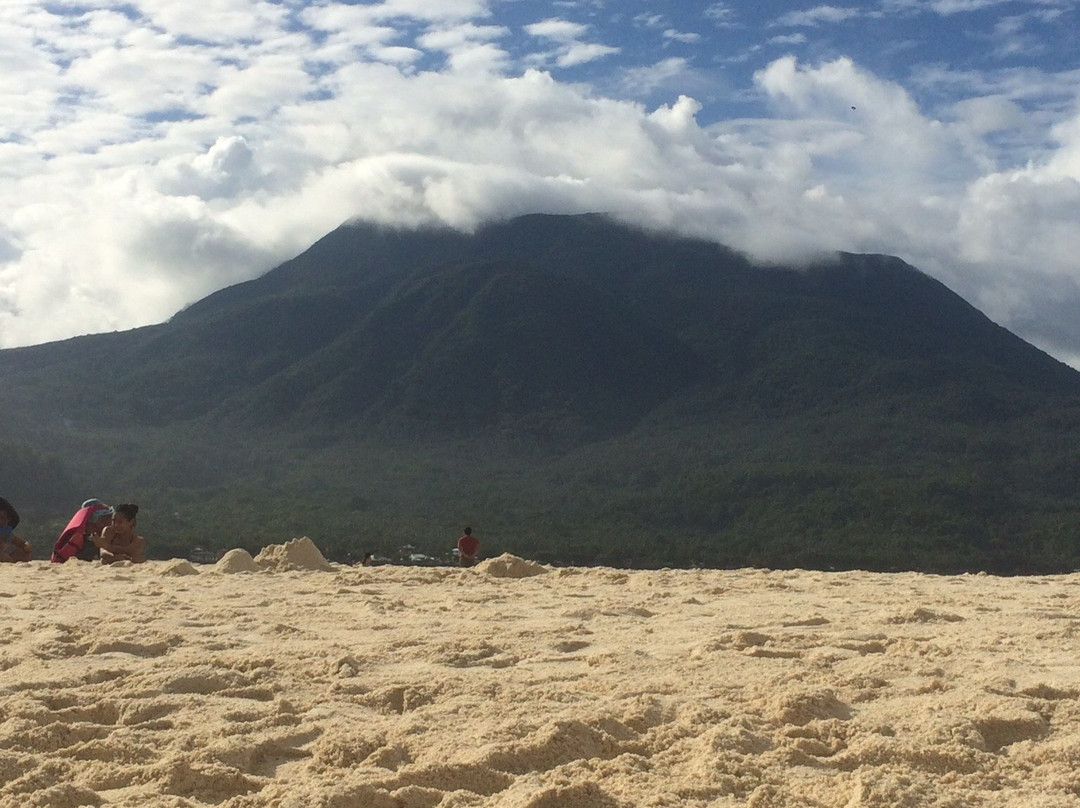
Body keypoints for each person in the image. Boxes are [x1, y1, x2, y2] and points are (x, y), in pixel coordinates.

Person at [0, 497, 31, 563]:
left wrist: (26, 547)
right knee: (6, 558)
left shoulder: (5, 531)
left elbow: (21, 543)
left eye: (4, 518)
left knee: (23, 552)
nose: (2, 521)